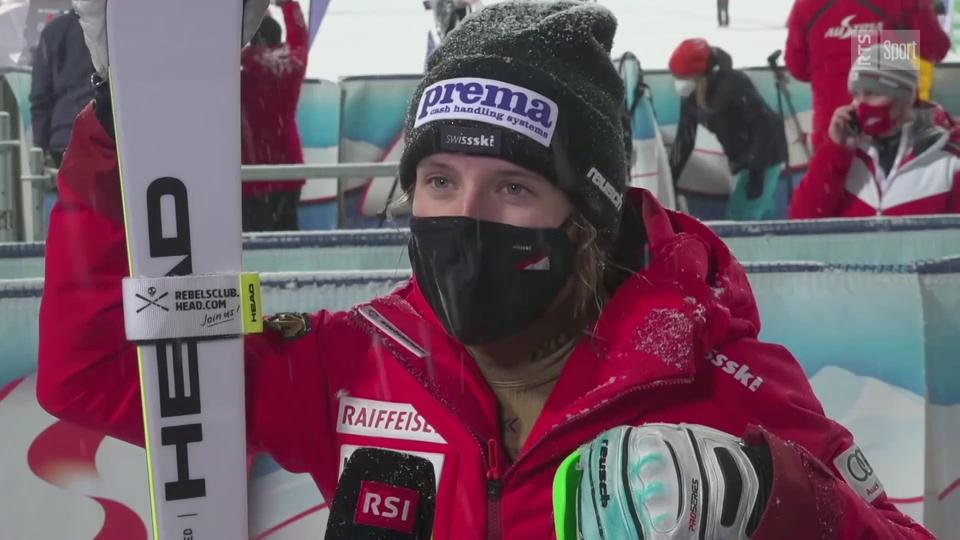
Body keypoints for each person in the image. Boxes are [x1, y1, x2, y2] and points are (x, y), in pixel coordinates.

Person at [38, 2, 934, 538]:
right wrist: (134, 122)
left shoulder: (716, 381)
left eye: (511, 186)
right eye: (438, 180)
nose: (466, 217)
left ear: (586, 212)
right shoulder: (360, 363)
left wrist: (775, 496)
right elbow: (99, 375)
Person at [790, 44, 960, 219]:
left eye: (871, 94)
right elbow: (803, 219)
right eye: (855, 94)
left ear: (904, 98)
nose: (859, 104)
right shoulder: (846, 150)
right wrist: (835, 151)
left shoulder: (948, 155)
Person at [785, 0, 950, 149]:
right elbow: (935, 49)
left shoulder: (804, 5)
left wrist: (833, 52)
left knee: (832, 180)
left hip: (835, 130)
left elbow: (797, 69)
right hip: (890, 131)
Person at [668, 38, 788, 221]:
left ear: (700, 76)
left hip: (766, 154)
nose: (679, 83)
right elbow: (686, 137)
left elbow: (765, 126)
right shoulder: (691, 95)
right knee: (759, 211)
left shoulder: (733, 84)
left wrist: (757, 172)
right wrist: (671, 175)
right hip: (742, 157)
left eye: (683, 78)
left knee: (740, 216)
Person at [240, 0, 308, 231]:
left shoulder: (243, 64)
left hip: (253, 171)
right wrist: (289, 4)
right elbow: (299, 33)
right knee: (287, 240)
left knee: (254, 245)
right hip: (289, 167)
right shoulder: (295, 59)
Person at [29, 9, 95, 168]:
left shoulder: (54, 30)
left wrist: (40, 146)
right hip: (110, 136)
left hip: (64, 136)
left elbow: (40, 96)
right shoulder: (114, 28)